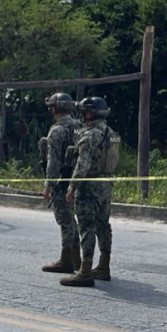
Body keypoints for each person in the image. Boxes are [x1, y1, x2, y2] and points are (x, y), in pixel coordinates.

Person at [61, 97, 115, 287]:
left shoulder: (89, 135)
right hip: (106, 184)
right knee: (103, 225)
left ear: (91, 113)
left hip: (88, 187)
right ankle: (103, 266)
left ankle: (85, 270)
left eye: (84, 112)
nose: (82, 115)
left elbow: (82, 165)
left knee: (86, 227)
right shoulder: (110, 132)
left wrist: (71, 188)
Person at [39, 92, 83, 275]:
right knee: (71, 219)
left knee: (65, 220)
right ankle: (76, 258)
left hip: (62, 182)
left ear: (55, 108)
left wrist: (48, 185)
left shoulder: (57, 131)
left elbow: (53, 161)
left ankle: (66, 260)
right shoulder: (80, 126)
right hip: (77, 180)